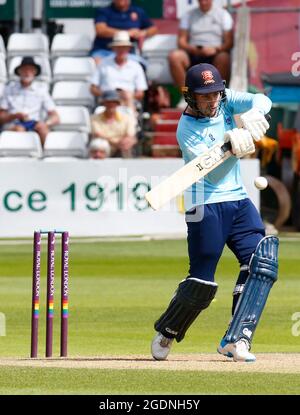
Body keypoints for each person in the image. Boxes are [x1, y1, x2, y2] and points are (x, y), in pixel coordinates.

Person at [151, 63, 279, 363]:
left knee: (261, 264)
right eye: (203, 96)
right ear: (190, 96)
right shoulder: (187, 130)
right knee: (202, 283)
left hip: (238, 201)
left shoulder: (224, 101)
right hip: (204, 204)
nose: (211, 101)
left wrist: (256, 115)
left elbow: (261, 99)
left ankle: (237, 339)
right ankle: (168, 330)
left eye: (215, 94)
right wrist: (232, 143)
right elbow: (215, 171)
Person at [169, 0, 233, 106]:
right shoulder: (188, 15)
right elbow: (181, 41)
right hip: (193, 53)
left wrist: (216, 49)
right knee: (175, 57)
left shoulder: (223, 15)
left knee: (224, 57)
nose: (203, 2)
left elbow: (229, 42)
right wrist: (193, 49)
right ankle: (187, 96)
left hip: (215, 54)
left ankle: (218, 96)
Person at [0, 56, 59, 146]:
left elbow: (55, 116)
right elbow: (1, 116)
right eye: (25, 69)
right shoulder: (9, 89)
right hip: (14, 124)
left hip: (34, 124)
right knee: (19, 129)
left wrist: (46, 123)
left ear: (35, 72)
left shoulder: (41, 90)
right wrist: (14, 116)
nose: (27, 72)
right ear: (19, 72)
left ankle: (49, 156)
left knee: (42, 128)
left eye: (31, 70)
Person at [90, 31, 148, 113]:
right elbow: (93, 88)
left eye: (124, 47)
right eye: (119, 47)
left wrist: (128, 95)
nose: (121, 50)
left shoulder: (136, 66)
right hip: (106, 102)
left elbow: (140, 93)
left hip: (128, 102)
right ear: (113, 48)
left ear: (128, 49)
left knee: (128, 101)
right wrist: (107, 94)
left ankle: (130, 122)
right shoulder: (103, 64)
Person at [90, 0, 158, 66]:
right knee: (99, 65)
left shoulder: (138, 11)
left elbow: (153, 29)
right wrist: (126, 33)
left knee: (139, 66)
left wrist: (142, 33)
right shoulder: (104, 11)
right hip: (104, 51)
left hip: (128, 53)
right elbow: (100, 30)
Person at [90, 90, 137, 158]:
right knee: (98, 146)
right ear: (104, 103)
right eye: (108, 102)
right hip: (105, 146)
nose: (111, 105)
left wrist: (124, 143)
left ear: (118, 104)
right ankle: (99, 168)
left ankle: (124, 168)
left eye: (114, 102)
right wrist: (117, 143)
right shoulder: (94, 118)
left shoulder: (127, 118)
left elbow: (129, 135)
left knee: (127, 145)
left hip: (121, 147)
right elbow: (98, 135)